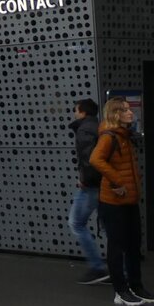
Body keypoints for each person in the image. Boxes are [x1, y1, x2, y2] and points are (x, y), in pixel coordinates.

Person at [90, 97, 154, 306]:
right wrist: (118, 181)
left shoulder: (124, 135)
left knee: (133, 245)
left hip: (129, 200)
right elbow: (95, 159)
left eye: (130, 109)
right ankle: (120, 291)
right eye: (126, 110)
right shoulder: (109, 136)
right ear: (116, 114)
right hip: (113, 202)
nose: (131, 113)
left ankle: (136, 287)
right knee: (117, 246)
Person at [68, 98, 108, 285]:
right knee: (108, 227)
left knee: (76, 223)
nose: (74, 113)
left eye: (76, 110)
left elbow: (89, 159)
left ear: (83, 112)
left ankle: (97, 267)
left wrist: (85, 180)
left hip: (91, 186)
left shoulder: (84, 130)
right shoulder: (99, 126)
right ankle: (120, 269)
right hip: (104, 184)